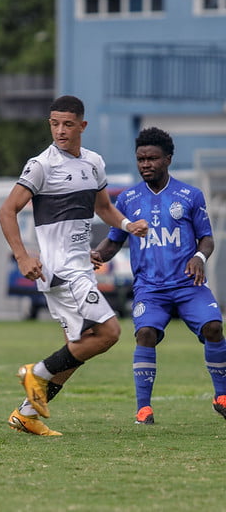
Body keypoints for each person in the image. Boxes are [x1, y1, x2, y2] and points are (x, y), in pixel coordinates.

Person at [0, 95, 148, 436]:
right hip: (62, 270)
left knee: (77, 348)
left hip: (80, 265)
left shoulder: (93, 163)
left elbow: (104, 209)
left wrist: (127, 226)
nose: (60, 131)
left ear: (82, 125)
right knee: (109, 333)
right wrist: (23, 256)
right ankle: (35, 372)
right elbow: (6, 211)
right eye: (54, 124)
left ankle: (25, 415)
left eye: (67, 124)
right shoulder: (41, 165)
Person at [92, 127, 225, 425]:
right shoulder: (127, 199)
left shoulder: (190, 195)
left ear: (168, 159)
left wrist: (199, 257)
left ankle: (222, 396)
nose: (145, 164)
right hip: (150, 288)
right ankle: (144, 409)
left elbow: (207, 238)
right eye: (140, 159)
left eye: (152, 158)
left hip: (189, 285)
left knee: (214, 327)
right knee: (145, 334)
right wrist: (97, 256)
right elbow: (114, 239)